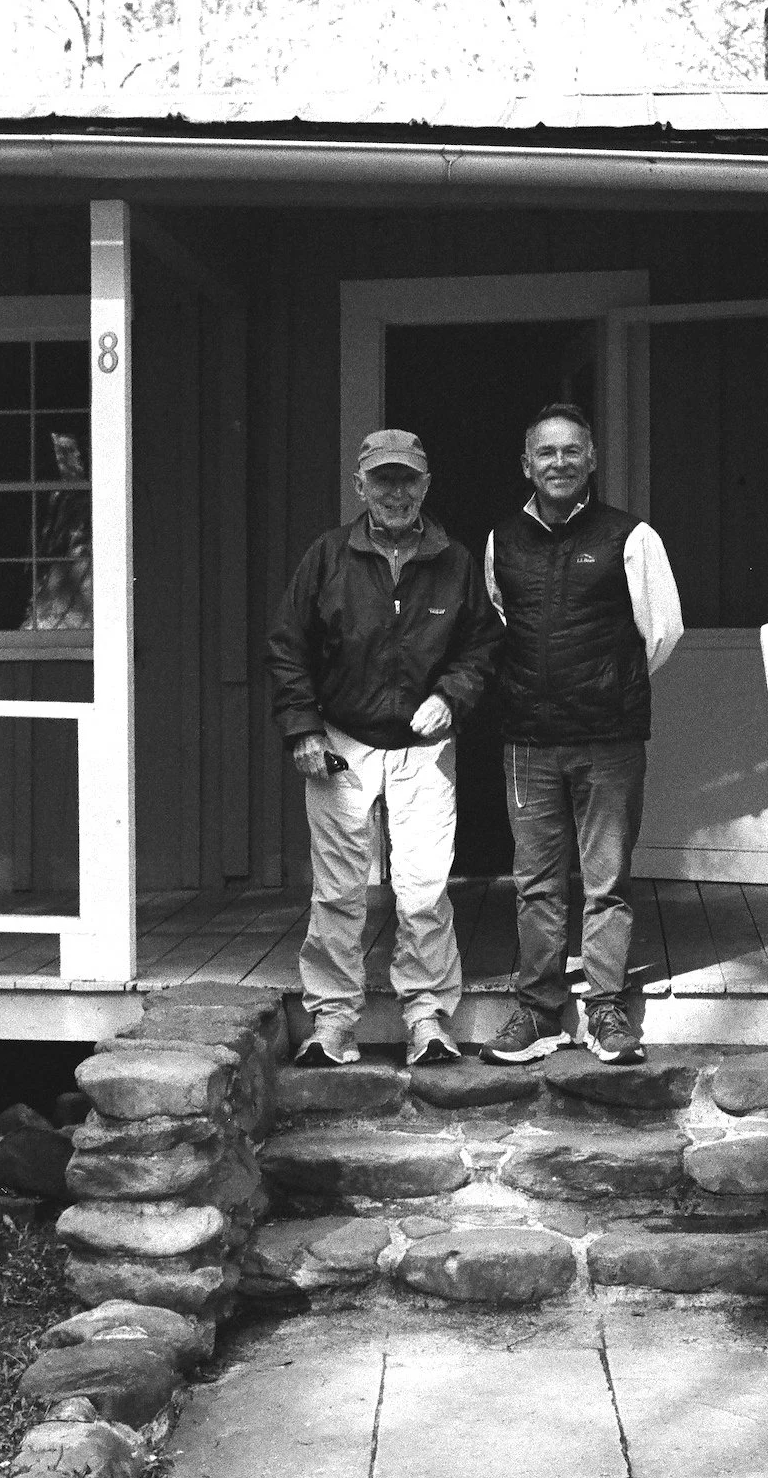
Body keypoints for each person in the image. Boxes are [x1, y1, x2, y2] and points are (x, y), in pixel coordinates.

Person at [265, 427, 500, 1068]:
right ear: (361, 485)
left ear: (426, 484)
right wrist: (303, 728)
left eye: (408, 480)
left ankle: (427, 1017)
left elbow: (481, 645)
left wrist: (451, 695)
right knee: (339, 890)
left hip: (425, 747)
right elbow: (289, 646)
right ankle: (334, 1021)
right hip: (341, 741)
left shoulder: (454, 558)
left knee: (423, 886)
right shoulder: (328, 556)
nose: (396, 493)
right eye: (383, 479)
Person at [483, 400, 682, 1066]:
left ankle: (603, 1009)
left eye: (573, 451)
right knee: (536, 884)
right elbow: (497, 625)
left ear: (592, 459)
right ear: (527, 464)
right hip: (528, 742)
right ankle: (538, 1012)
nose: (560, 463)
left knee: (607, 882)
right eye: (547, 452)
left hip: (607, 739)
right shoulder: (501, 540)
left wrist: (606, 686)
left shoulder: (631, 536)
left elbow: (663, 631)